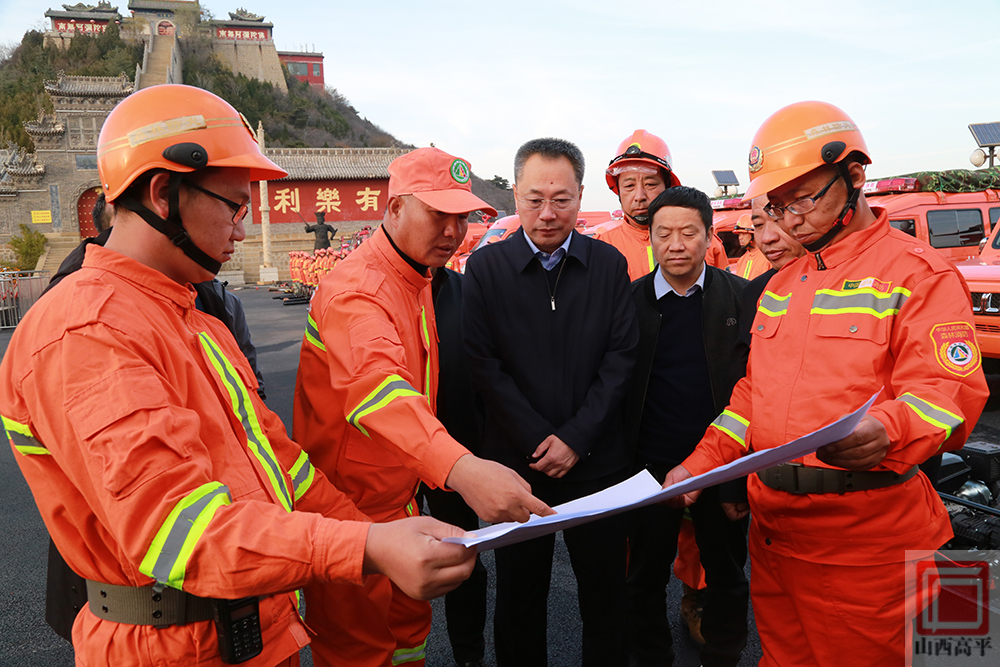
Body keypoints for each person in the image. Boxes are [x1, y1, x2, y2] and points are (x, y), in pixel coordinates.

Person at [0, 83, 476, 667]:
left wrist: (374, 539)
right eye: (233, 206)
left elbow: (284, 468)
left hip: (245, 627)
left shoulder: (193, 318)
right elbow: (180, 530)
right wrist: (367, 546)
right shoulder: (87, 329)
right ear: (162, 193)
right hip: (171, 646)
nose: (243, 230)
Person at [665, 100, 990, 666]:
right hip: (776, 539)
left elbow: (949, 392)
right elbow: (751, 399)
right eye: (776, 205)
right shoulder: (779, 286)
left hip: (870, 547)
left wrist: (886, 429)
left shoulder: (919, 273)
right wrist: (701, 462)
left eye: (802, 199)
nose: (788, 219)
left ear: (856, 175)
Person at [293, 146, 552, 667]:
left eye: (461, 216)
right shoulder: (359, 288)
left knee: (409, 636)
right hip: (349, 513)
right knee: (359, 647)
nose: (453, 231)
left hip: (400, 500)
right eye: (438, 214)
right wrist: (462, 470)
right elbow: (378, 390)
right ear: (393, 209)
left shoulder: (418, 280)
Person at [463, 137, 639, 667]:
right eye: (534, 198)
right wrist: (540, 439)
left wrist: (577, 439)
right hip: (516, 467)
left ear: (580, 195)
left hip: (597, 463)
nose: (547, 214)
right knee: (519, 597)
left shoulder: (607, 265)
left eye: (561, 199)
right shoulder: (487, 268)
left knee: (606, 595)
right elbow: (482, 365)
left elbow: (621, 358)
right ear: (514, 194)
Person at [622, 186, 750, 667]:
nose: (676, 244)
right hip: (647, 467)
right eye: (664, 233)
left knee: (727, 574)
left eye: (688, 232)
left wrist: (737, 476)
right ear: (650, 239)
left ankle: (724, 653)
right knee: (644, 577)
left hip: (721, 463)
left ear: (709, 235)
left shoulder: (740, 297)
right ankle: (654, 657)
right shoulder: (628, 302)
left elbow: (752, 389)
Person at [419, 265, 489, 667]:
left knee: (463, 558)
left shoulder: (466, 291)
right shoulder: (370, 289)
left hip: (453, 453)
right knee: (390, 560)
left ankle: (469, 655)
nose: (447, 233)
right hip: (391, 455)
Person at [595, 129, 681, 279]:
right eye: (629, 186)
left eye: (650, 184)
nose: (639, 196)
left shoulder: (703, 241)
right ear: (618, 191)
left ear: (668, 187)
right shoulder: (600, 248)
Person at [732, 213, 768, 280]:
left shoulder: (767, 258)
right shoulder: (741, 260)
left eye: (743, 234)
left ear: (753, 234)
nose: (740, 238)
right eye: (739, 234)